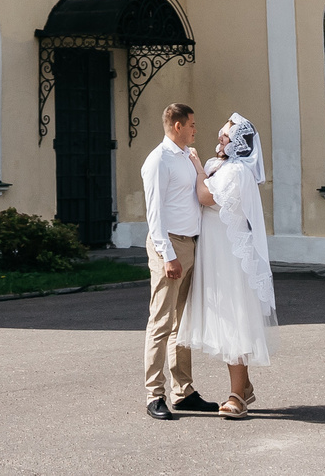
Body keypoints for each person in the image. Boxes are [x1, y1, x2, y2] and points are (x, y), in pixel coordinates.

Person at [180, 112, 277, 418]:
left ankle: (237, 395)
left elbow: (206, 196)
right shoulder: (218, 165)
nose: (219, 139)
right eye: (221, 134)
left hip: (230, 255)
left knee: (233, 317)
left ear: (238, 143)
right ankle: (244, 386)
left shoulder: (237, 171)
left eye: (226, 136)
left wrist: (197, 170)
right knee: (222, 316)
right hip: (215, 248)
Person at [141, 101, 218, 419]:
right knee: (160, 323)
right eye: (191, 124)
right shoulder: (159, 160)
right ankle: (153, 394)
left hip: (190, 245)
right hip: (169, 246)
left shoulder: (186, 157)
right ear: (177, 125)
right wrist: (167, 255)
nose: (195, 129)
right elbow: (154, 212)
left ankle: (183, 392)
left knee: (181, 324)